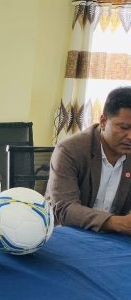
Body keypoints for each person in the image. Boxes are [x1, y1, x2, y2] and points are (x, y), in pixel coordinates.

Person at [46, 86, 131, 233]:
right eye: (124, 127)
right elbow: (65, 208)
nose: (130, 137)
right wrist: (115, 222)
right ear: (103, 121)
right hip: (67, 232)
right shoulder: (70, 150)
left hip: (114, 238)